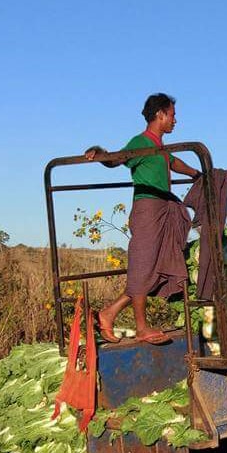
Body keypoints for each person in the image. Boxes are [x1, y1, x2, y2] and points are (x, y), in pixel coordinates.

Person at [84, 93, 201, 345]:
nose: (175, 120)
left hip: (162, 207)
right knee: (143, 265)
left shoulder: (159, 147)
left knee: (155, 267)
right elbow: (118, 159)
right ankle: (141, 327)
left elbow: (173, 161)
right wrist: (100, 152)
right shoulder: (141, 142)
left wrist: (196, 173)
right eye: (172, 115)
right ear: (160, 114)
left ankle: (108, 313)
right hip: (148, 209)